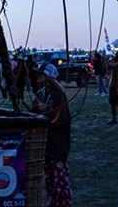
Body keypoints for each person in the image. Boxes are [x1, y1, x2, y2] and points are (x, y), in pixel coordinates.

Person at [32, 68, 73, 207]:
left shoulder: (58, 96)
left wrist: (45, 114)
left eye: (41, 73)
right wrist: (37, 108)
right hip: (45, 146)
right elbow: (32, 114)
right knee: (49, 184)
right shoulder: (40, 94)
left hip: (57, 146)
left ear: (49, 77)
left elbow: (60, 119)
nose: (37, 75)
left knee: (60, 184)